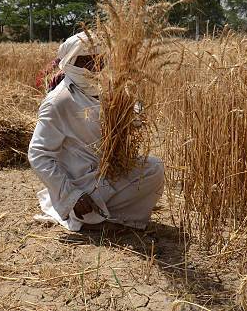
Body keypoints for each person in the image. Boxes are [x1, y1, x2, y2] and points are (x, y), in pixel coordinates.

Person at [28, 32, 164, 232]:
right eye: (86, 60)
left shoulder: (105, 90)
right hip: (81, 181)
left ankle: (105, 216)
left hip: (107, 171)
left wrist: (133, 113)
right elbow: (38, 155)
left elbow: (126, 120)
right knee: (91, 207)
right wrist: (72, 195)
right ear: (71, 62)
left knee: (154, 168)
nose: (94, 67)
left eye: (99, 59)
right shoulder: (58, 101)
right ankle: (92, 216)